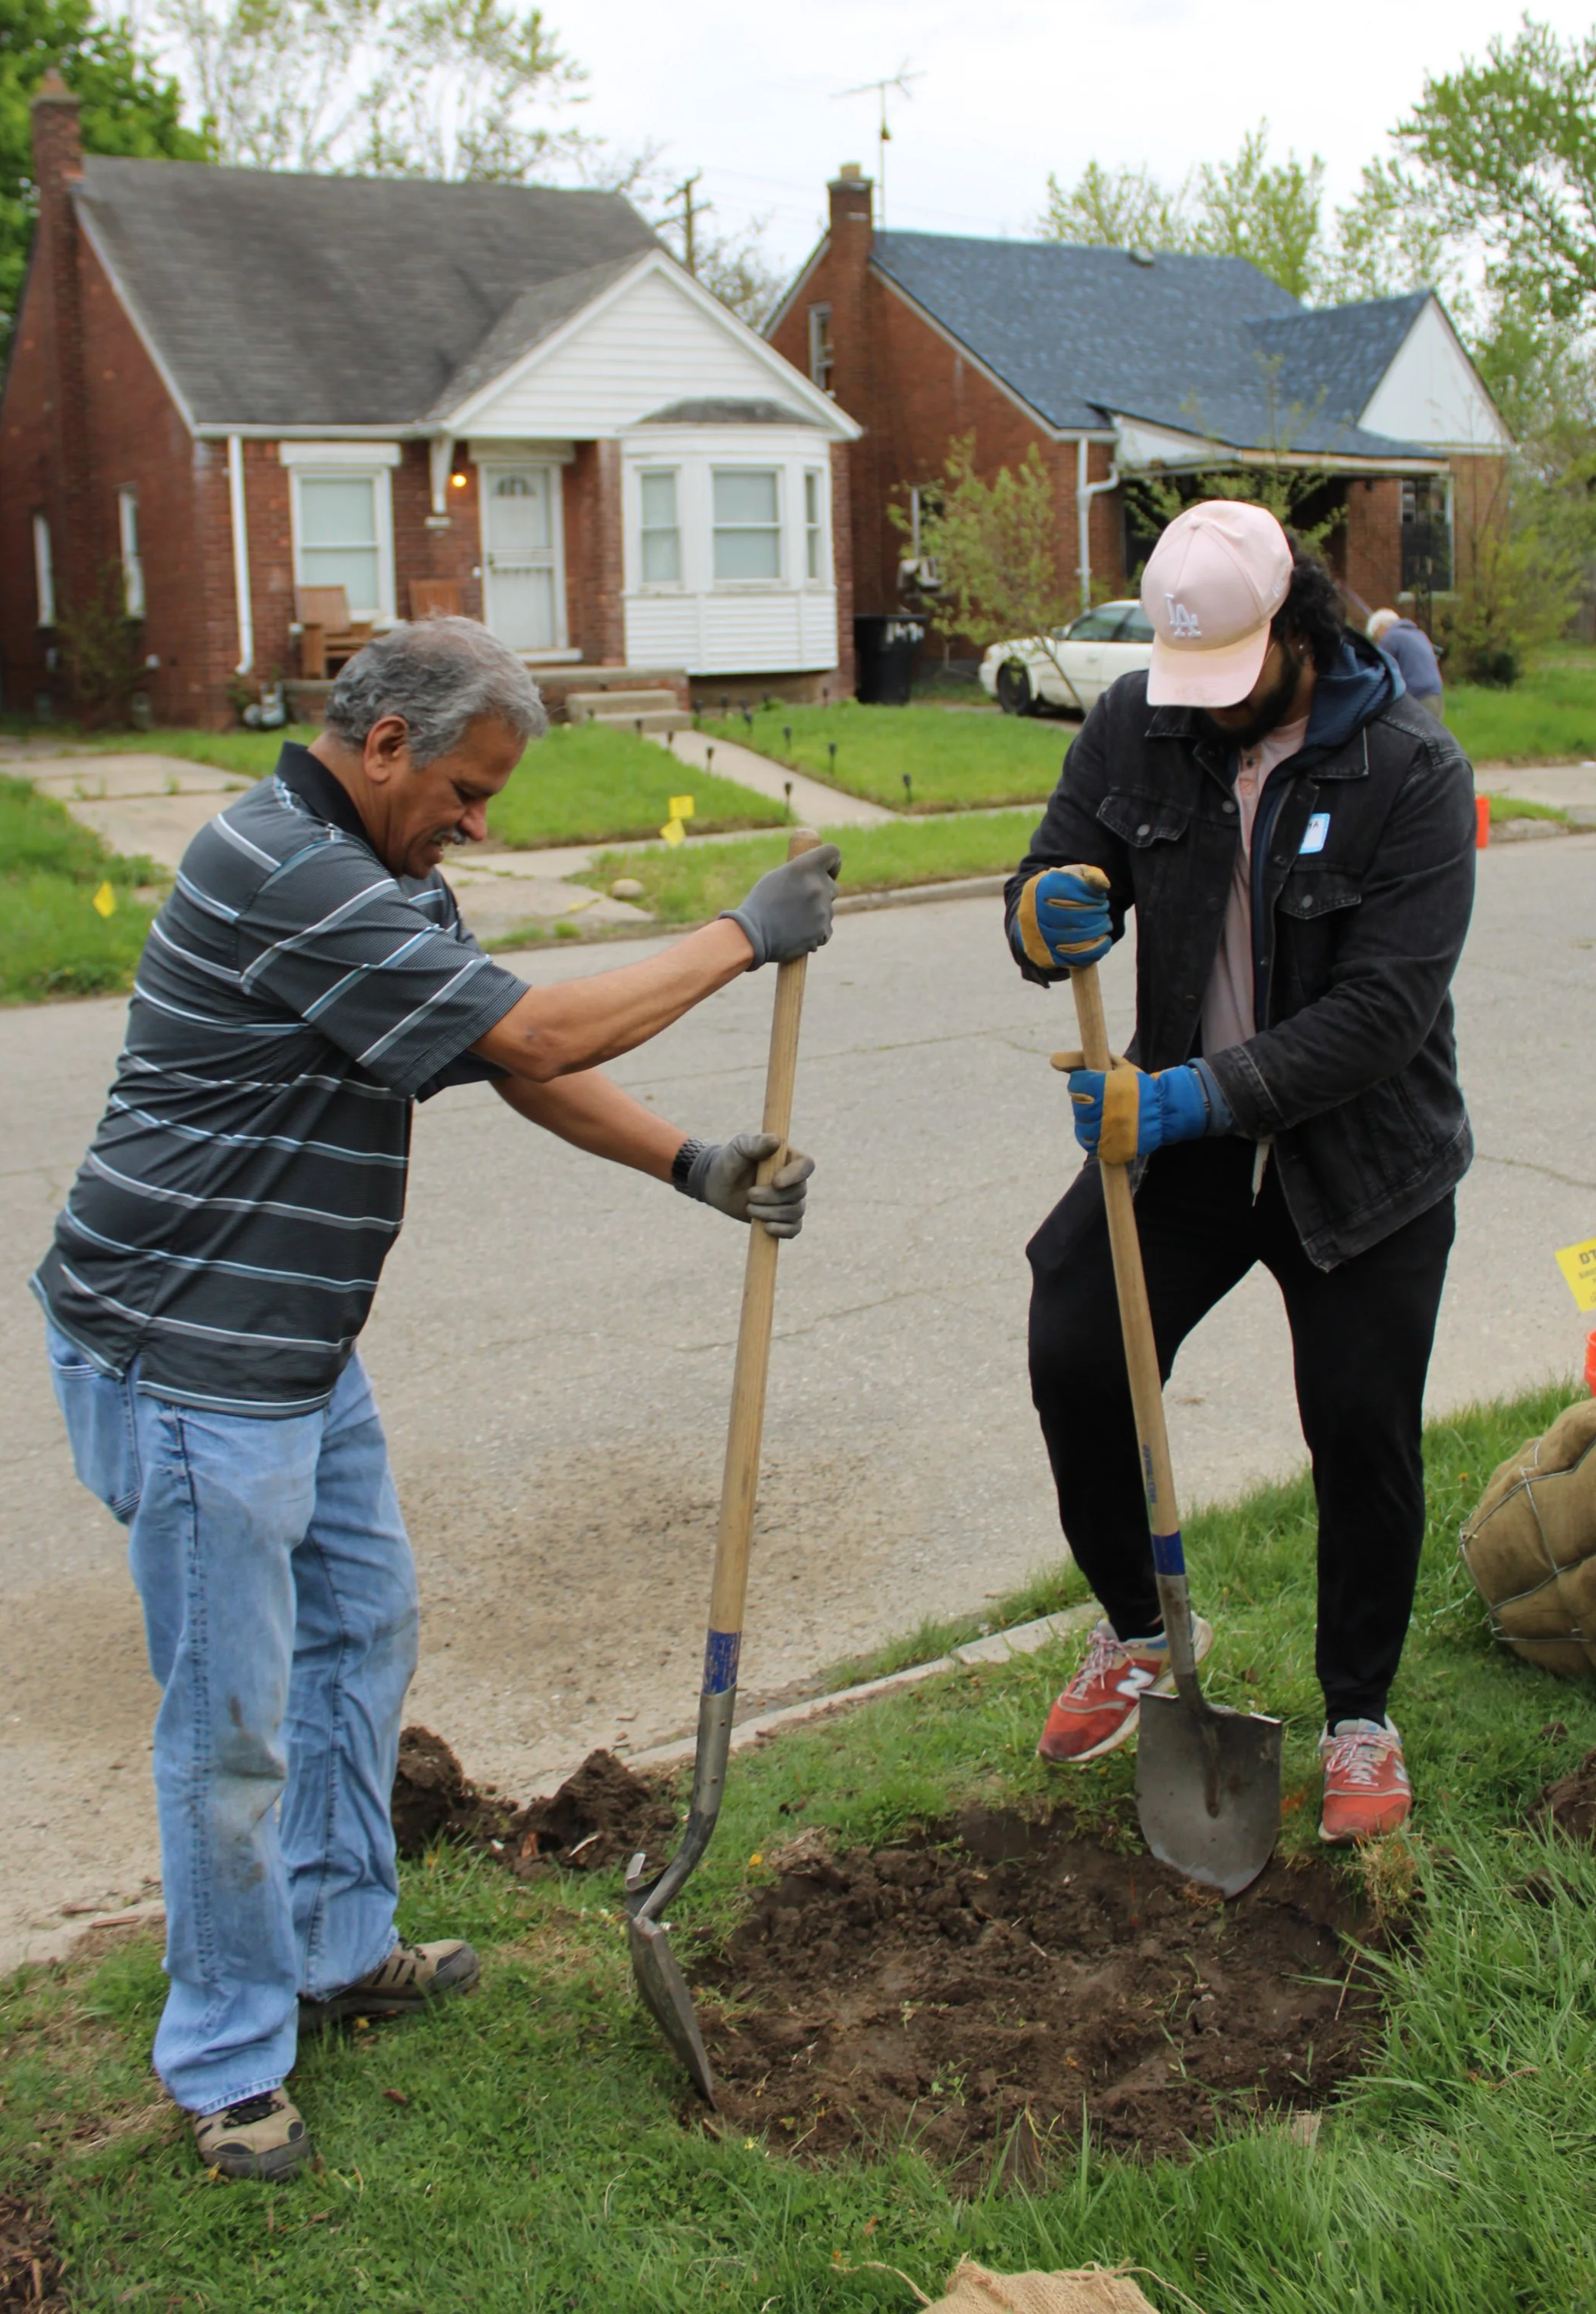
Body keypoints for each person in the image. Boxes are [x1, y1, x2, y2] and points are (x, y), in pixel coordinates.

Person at [34, 618, 840, 2181]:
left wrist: (688, 1161)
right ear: (387, 743)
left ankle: (339, 1946)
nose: (477, 822)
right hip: (190, 1353)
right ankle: (226, 2062)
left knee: (363, 1626)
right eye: (468, 789)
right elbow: (532, 1026)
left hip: (293, 1344)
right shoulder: (285, 869)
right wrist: (737, 937)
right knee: (230, 1725)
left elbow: (504, 1059)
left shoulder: (386, 874)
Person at [1007, 501, 1475, 1846]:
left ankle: (1358, 1715)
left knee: (1360, 1428)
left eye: (1231, 673)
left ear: (1295, 625)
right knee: (1077, 1345)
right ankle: (1143, 1628)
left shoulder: (1409, 767)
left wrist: (1184, 1096)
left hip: (1362, 1160)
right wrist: (1038, 917)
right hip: (1188, 1149)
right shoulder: (1139, 720)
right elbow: (1053, 867)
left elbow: (1381, 1015)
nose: (1205, 704)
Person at [1366, 605, 1444, 720]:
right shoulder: (1419, 634)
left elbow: (1380, 668)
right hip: (1435, 693)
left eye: (1376, 637)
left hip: (1418, 696)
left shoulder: (1391, 637)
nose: (1378, 642)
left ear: (1381, 627)